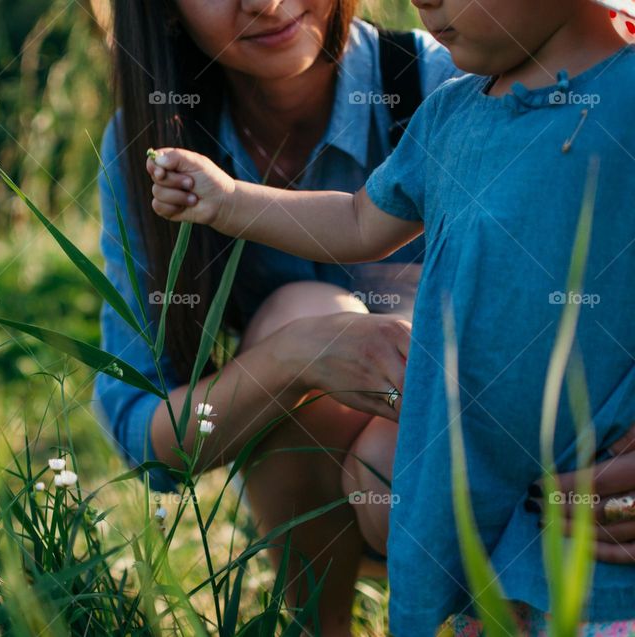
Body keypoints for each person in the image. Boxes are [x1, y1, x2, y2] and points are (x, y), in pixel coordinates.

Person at [144, 0, 635, 633]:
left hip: (603, 512)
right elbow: (356, 221)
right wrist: (229, 200)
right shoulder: (452, 115)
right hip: (480, 507)